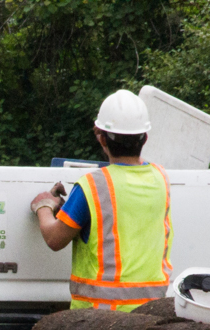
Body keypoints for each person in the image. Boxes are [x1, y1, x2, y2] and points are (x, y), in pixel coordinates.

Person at [30, 89, 173, 312]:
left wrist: (44, 206)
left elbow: (54, 239)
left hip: (99, 322)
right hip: (150, 316)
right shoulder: (161, 178)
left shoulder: (93, 186)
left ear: (102, 138)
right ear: (145, 137)